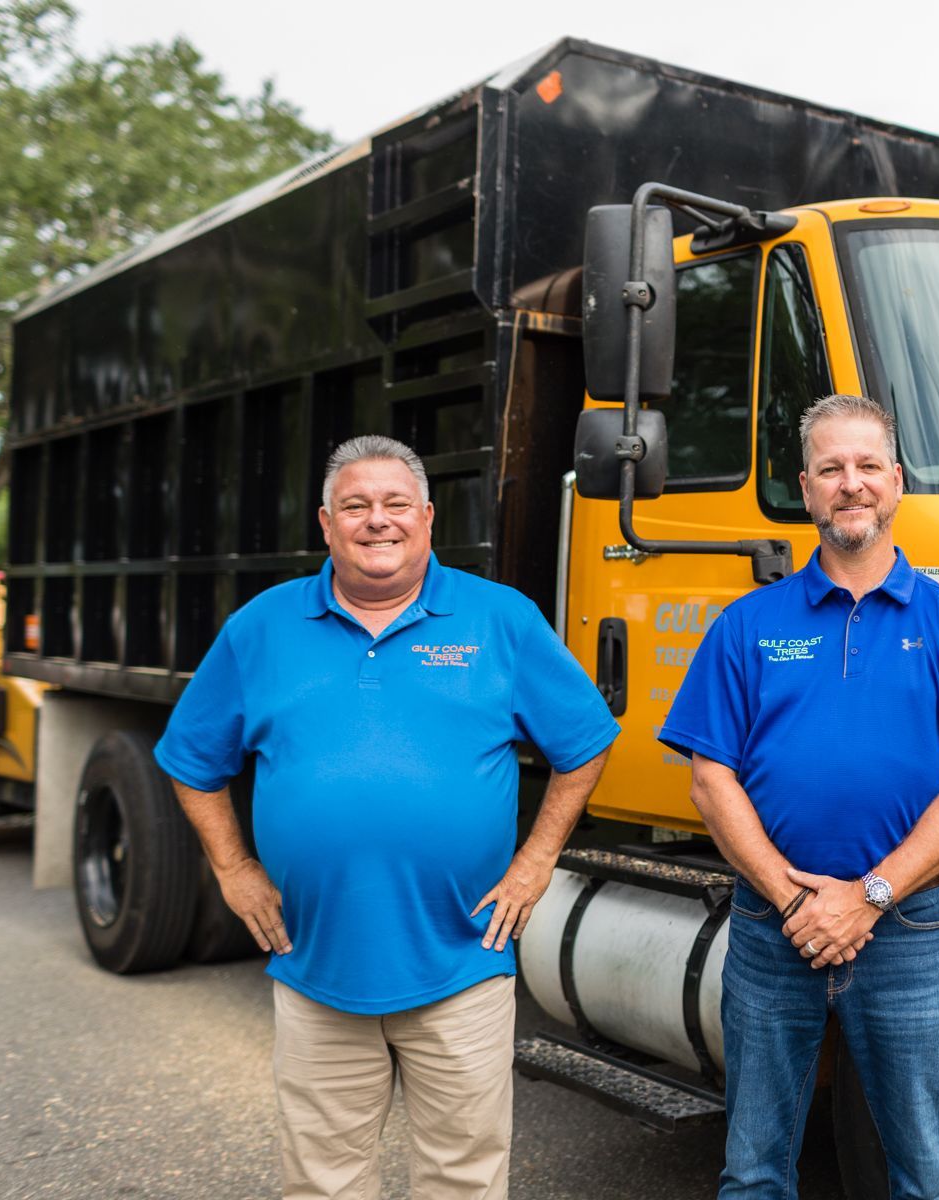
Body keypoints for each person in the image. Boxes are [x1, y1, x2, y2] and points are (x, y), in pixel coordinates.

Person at [155, 435, 618, 1200]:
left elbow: (585, 743)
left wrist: (536, 862)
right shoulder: (261, 628)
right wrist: (234, 870)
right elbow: (191, 761)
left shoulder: (499, 619)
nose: (378, 520)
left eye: (396, 504)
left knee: (462, 1178)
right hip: (315, 966)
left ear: (428, 518)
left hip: (462, 963)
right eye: (356, 506)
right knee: (322, 1183)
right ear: (326, 523)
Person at [659, 395, 939, 1200]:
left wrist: (868, 897)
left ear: (896, 483)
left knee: (930, 1177)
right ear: (806, 488)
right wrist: (794, 897)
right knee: (753, 1173)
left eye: (868, 466)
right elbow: (709, 778)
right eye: (831, 468)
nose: (851, 484)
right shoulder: (747, 625)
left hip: (907, 932)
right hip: (773, 931)